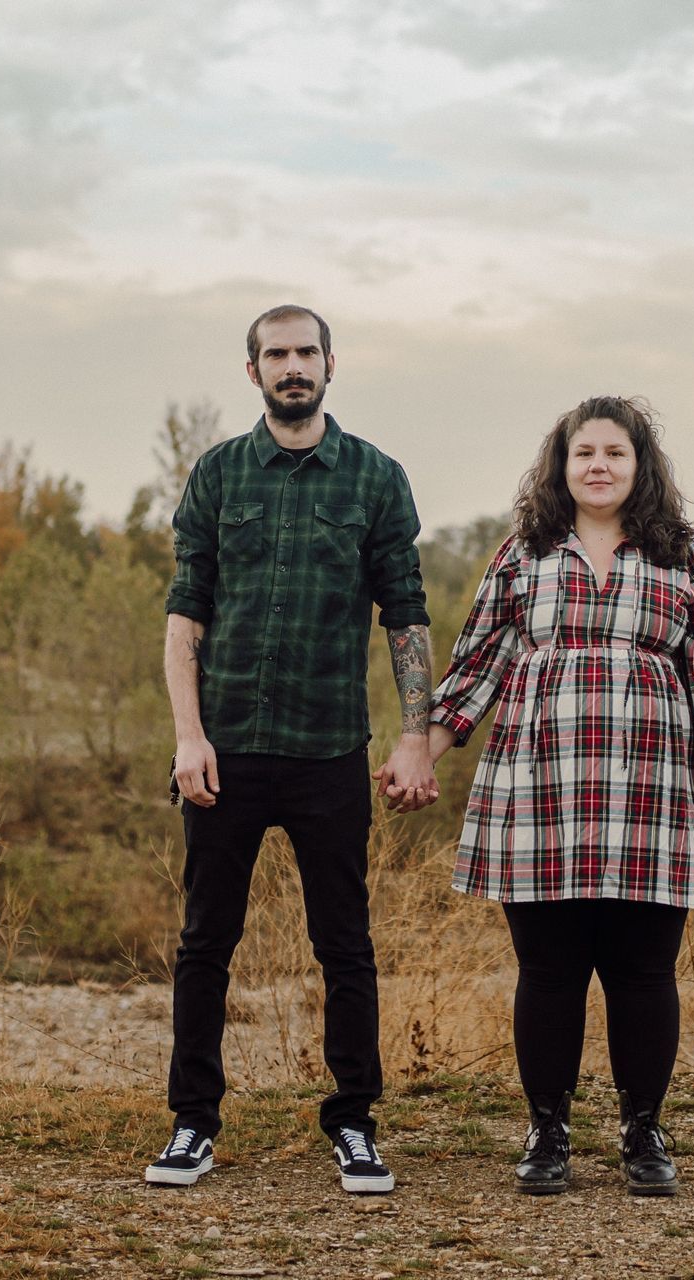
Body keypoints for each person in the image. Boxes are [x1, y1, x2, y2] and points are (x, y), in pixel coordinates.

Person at [415, 395, 694, 1196]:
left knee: (645, 970)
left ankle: (644, 1132)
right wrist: (420, 755)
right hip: (540, 788)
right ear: (561, 467)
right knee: (549, 970)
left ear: (640, 467)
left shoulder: (680, 558)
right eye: (583, 453)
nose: (598, 465)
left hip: (650, 788)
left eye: (615, 452)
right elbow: (477, 667)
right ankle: (548, 1133)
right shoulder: (524, 554)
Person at [146, 304, 437, 1195]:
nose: (292, 367)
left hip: (328, 753)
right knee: (206, 943)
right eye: (276, 355)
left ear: (331, 364)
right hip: (226, 752)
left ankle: (354, 1122)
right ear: (254, 373)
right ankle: (193, 1125)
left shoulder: (376, 479)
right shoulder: (221, 474)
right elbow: (185, 610)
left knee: (344, 945)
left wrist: (418, 736)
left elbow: (407, 614)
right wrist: (188, 736)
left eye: (306, 352)